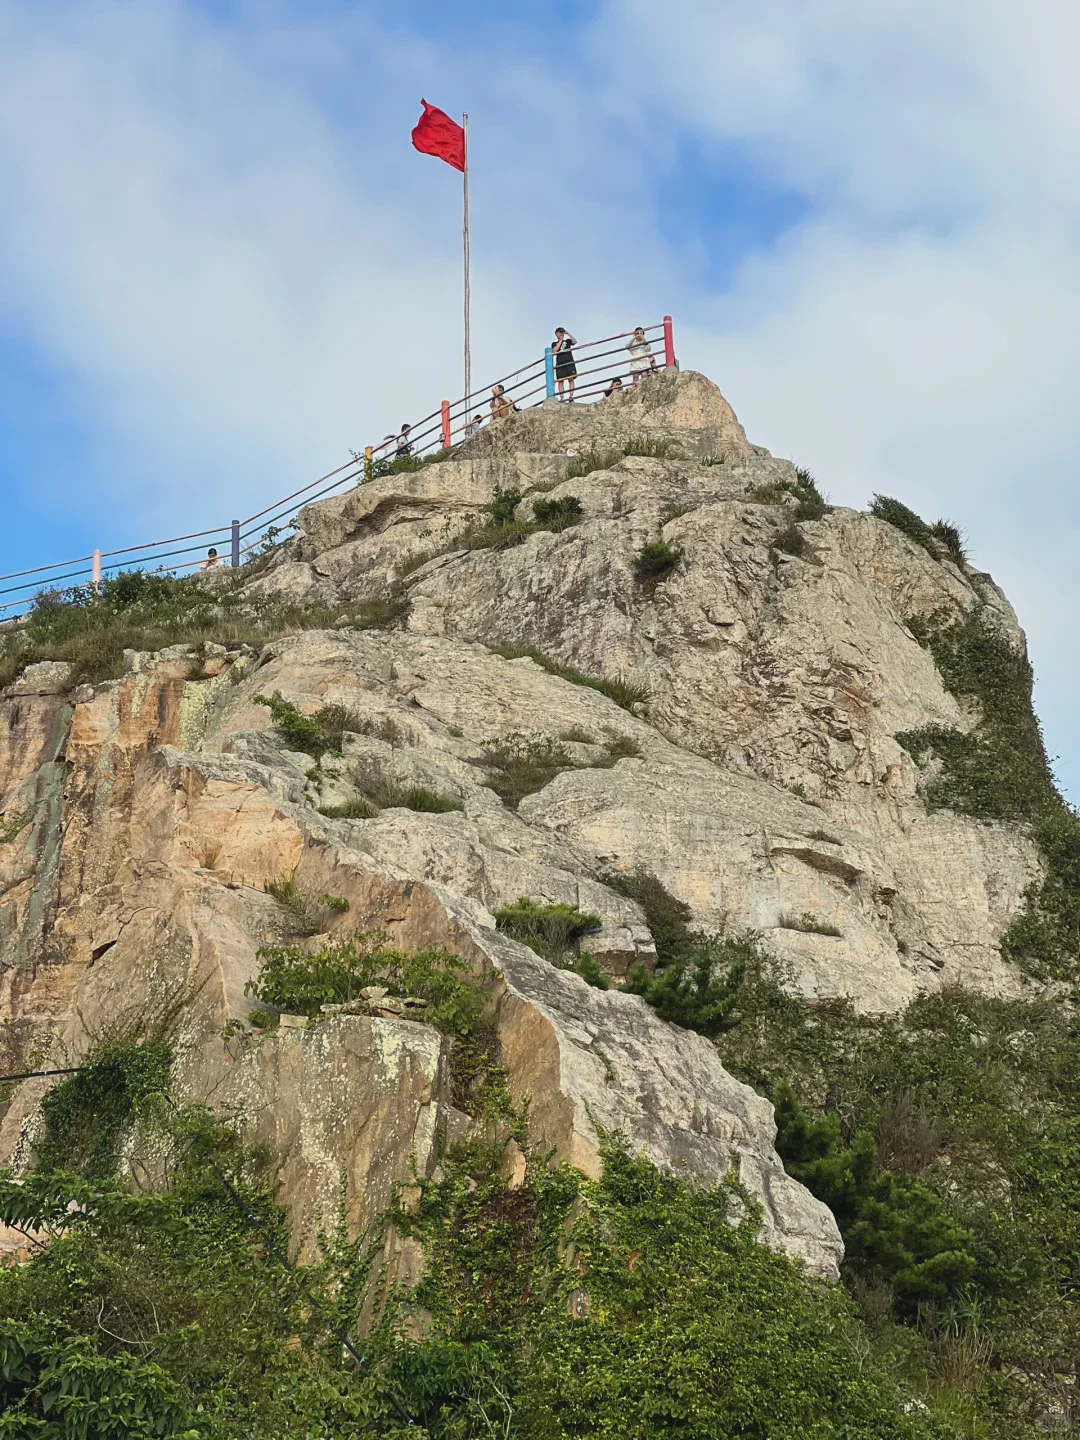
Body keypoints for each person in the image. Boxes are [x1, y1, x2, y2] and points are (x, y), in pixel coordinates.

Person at [552, 327, 578, 401]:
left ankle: (571, 397)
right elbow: (554, 351)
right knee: (560, 381)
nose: (561, 333)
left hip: (569, 362)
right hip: (560, 363)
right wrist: (560, 340)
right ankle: (562, 398)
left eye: (562, 332)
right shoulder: (554, 343)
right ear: (556, 334)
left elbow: (575, 341)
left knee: (571, 379)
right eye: (559, 332)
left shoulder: (568, 341)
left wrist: (567, 333)